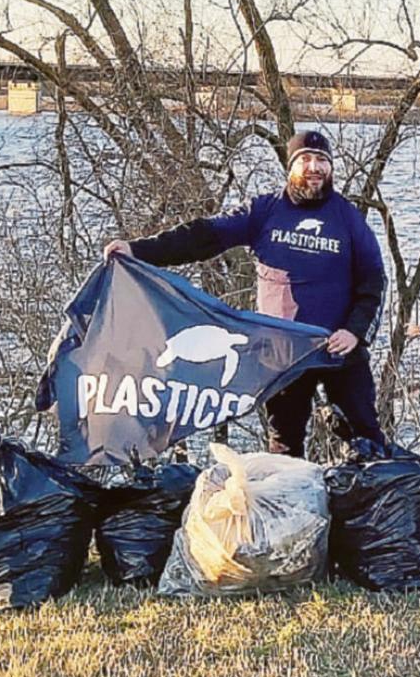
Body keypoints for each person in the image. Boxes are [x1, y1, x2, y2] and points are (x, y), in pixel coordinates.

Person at [104, 129, 387, 456]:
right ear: (290, 167)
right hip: (283, 351)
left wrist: (355, 333)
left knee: (366, 436)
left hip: (339, 350)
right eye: (305, 159)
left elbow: (374, 281)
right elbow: (204, 236)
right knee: (284, 447)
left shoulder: (348, 218)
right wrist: (138, 251)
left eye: (322, 160)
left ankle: (374, 501)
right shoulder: (265, 211)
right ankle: (288, 505)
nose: (314, 167)